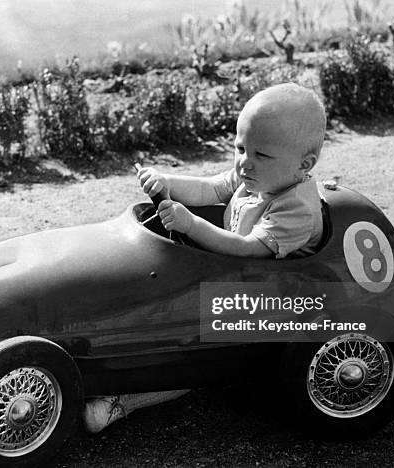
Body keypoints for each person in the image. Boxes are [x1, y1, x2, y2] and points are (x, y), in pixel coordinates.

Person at [82, 82, 327, 434]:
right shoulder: (255, 178)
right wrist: (164, 179)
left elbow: (247, 250)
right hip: (231, 277)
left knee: (195, 347)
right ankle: (107, 355)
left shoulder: (296, 209)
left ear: (304, 164)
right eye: (241, 148)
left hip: (275, 301)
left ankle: (121, 402)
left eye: (261, 155)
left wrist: (191, 223)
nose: (245, 162)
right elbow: (210, 188)